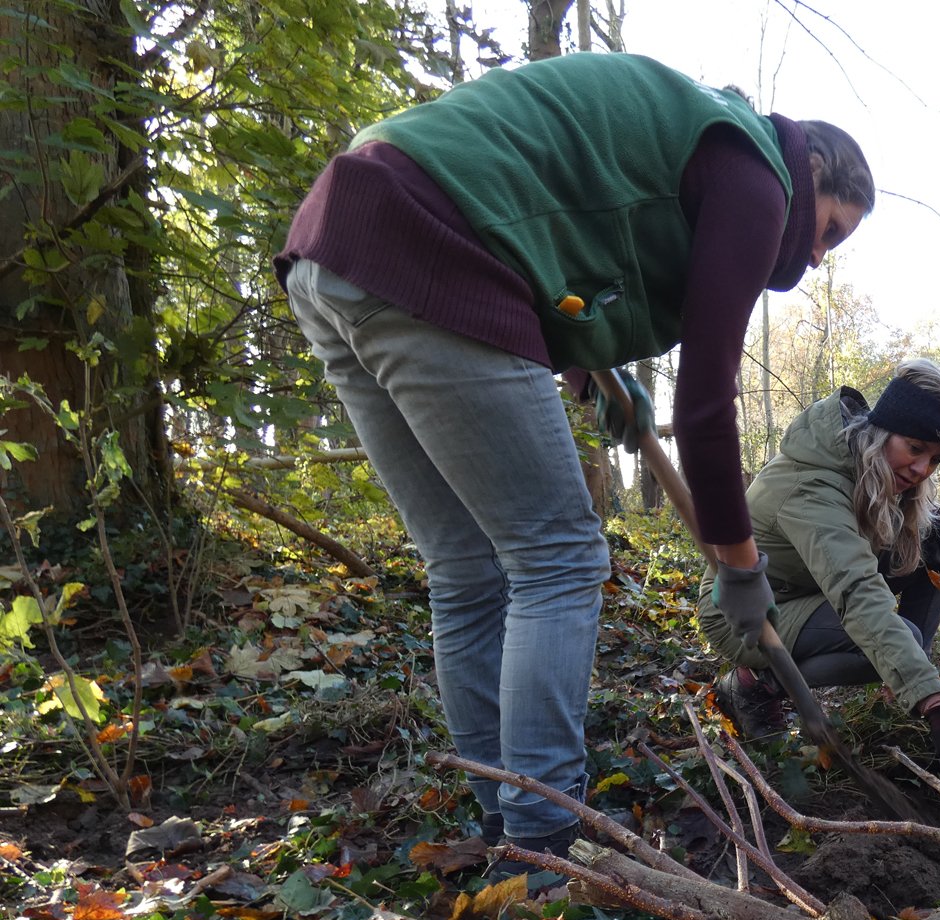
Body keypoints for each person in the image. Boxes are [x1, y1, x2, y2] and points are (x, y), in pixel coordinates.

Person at [273, 52, 875, 859]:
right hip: (430, 242)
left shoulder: (692, 138)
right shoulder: (761, 174)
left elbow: (549, 222)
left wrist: (592, 368)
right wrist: (741, 567)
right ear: (813, 171)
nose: (818, 255)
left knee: (465, 569)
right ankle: (548, 834)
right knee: (557, 557)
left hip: (338, 244)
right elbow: (706, 404)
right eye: (830, 229)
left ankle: (508, 826)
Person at [697, 359, 940, 783]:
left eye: (935, 459)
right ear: (884, 430)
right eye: (915, 448)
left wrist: (933, 530)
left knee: (936, 549)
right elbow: (856, 591)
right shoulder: (812, 486)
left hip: (807, 586)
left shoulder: (868, 463)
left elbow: (866, 554)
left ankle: (908, 675)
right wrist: (938, 706)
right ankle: (752, 684)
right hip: (746, 612)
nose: (921, 470)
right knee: (899, 636)